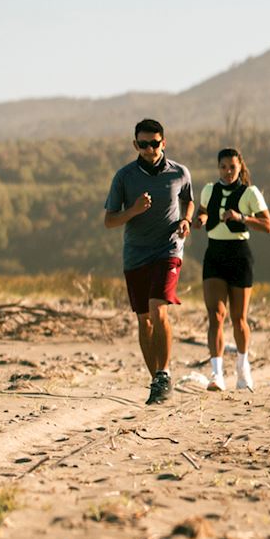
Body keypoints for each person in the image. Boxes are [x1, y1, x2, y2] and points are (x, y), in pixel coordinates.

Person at [104, 119, 194, 405]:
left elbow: (188, 199)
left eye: (154, 143)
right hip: (136, 254)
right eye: (143, 144)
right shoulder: (124, 177)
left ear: (163, 143)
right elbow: (109, 221)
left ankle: (165, 373)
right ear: (135, 145)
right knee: (144, 319)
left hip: (168, 250)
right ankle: (156, 378)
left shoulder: (179, 172)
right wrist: (133, 210)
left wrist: (186, 220)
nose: (149, 149)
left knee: (158, 308)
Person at [193, 148, 270, 391]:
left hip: (239, 255)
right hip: (214, 254)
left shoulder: (250, 193)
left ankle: (242, 366)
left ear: (240, 168)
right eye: (223, 167)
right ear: (218, 168)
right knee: (215, 316)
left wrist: (242, 218)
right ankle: (216, 374)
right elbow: (203, 212)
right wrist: (199, 220)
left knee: (239, 319)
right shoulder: (208, 190)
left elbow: (268, 225)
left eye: (232, 167)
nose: (228, 172)